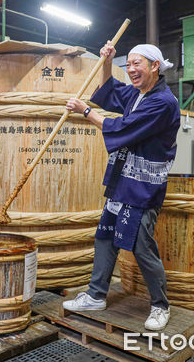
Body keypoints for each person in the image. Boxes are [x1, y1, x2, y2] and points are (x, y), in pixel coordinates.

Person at [62, 42, 180, 331]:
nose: (131, 70)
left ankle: (160, 306)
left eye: (136, 64)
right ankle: (95, 294)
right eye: (128, 65)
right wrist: (107, 61)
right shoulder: (138, 94)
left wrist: (85, 111)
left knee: (141, 245)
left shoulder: (163, 102)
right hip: (122, 179)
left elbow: (122, 129)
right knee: (105, 236)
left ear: (154, 66)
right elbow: (110, 91)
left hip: (143, 187)